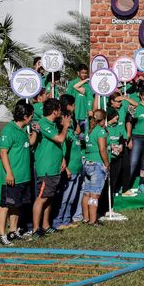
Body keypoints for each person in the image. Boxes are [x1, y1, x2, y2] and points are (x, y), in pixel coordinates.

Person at [0, 101, 37, 246]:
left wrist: (36, 132)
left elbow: (28, 144)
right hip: (12, 178)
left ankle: (13, 231)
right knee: (5, 205)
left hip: (23, 177)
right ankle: (2, 235)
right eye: (31, 116)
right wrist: (9, 173)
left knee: (17, 205)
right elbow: (3, 153)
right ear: (25, 116)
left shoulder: (23, 130)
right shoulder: (9, 131)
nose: (32, 118)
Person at [32, 98, 70, 239]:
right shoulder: (43, 123)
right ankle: (36, 229)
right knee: (42, 198)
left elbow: (58, 145)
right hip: (46, 168)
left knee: (49, 197)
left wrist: (62, 158)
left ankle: (46, 225)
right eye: (59, 109)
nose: (61, 111)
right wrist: (65, 126)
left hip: (54, 167)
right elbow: (59, 139)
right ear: (55, 111)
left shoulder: (53, 124)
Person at [52, 94, 84, 230]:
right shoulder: (63, 132)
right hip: (69, 168)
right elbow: (61, 150)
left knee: (71, 198)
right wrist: (66, 168)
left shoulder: (72, 130)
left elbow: (78, 131)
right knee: (64, 198)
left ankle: (66, 219)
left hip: (77, 167)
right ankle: (58, 221)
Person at [81, 109, 109, 226]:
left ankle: (86, 218)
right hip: (97, 163)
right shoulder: (100, 131)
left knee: (86, 192)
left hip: (87, 162)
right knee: (95, 194)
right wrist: (107, 163)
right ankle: (93, 220)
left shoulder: (89, 130)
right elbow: (102, 149)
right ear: (102, 120)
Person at [66, 64, 93, 135]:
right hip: (75, 114)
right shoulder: (72, 83)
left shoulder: (89, 85)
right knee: (75, 134)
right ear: (78, 73)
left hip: (85, 115)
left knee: (85, 136)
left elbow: (90, 98)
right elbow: (68, 97)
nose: (84, 75)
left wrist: (90, 110)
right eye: (82, 73)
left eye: (86, 73)